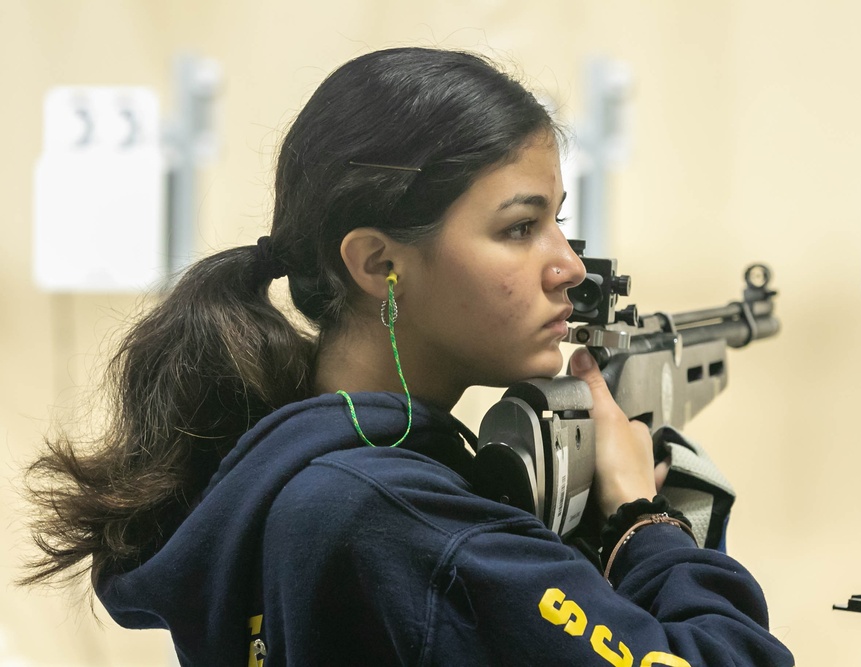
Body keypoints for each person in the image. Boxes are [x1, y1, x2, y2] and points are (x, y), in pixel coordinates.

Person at [22, 47, 794, 666]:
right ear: (377, 263)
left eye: (560, 222)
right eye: (520, 228)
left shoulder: (292, 471)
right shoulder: (402, 519)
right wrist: (641, 520)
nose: (569, 266)